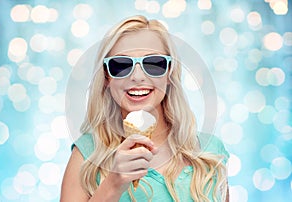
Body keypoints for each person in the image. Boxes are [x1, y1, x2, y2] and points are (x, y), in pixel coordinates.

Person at [61, 15, 229, 202]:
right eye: (121, 65)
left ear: (169, 73)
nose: (137, 77)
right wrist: (113, 184)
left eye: (154, 64)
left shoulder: (209, 152)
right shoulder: (86, 155)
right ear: (107, 77)